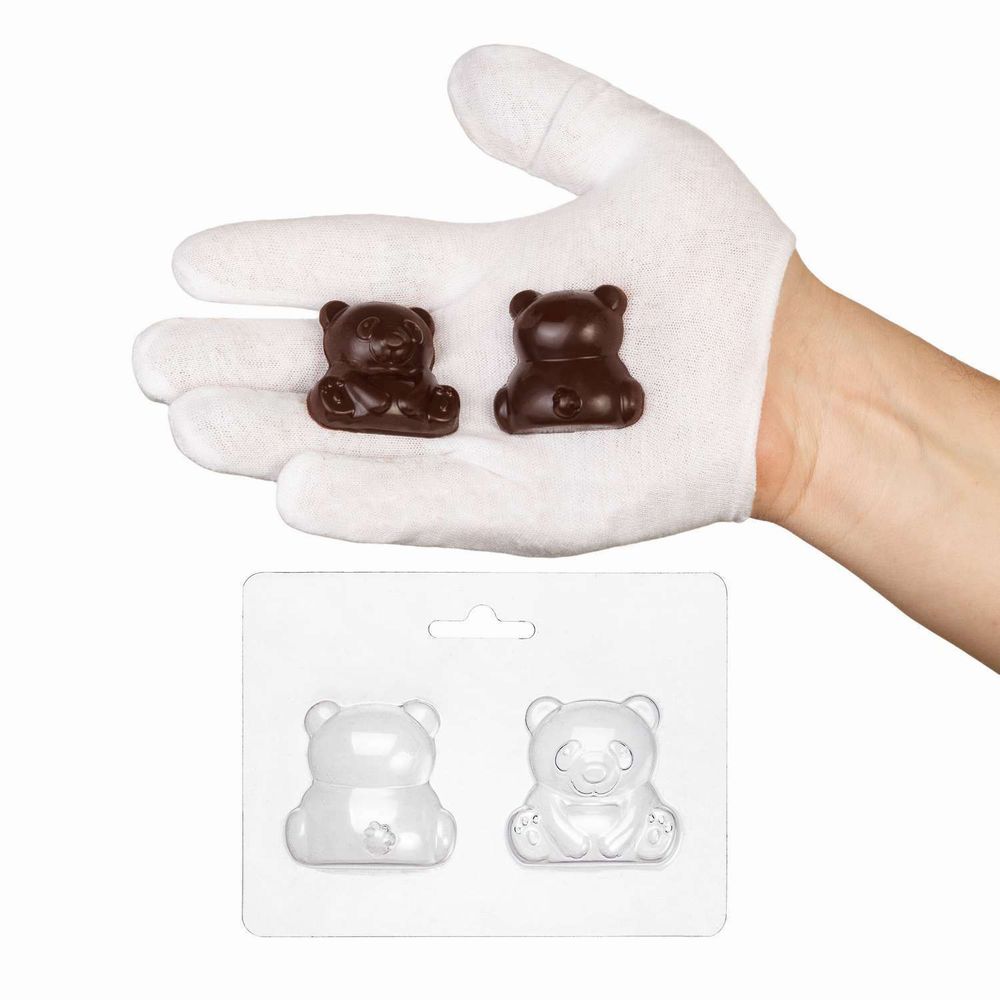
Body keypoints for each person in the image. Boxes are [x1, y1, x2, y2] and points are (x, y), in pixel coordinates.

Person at [133, 45, 1000, 670]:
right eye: (374, 338)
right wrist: (800, 401)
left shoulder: (585, 366)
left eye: (401, 336)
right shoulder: (420, 371)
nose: (392, 344)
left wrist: (783, 372)